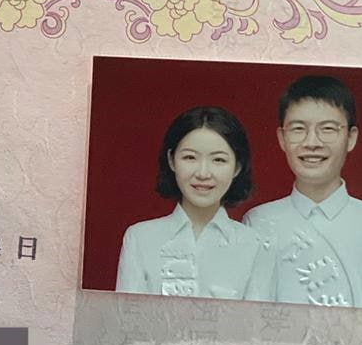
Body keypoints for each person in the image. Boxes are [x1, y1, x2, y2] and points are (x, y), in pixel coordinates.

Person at [243, 75, 362, 310]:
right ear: (282, 138)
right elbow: (249, 319)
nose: (312, 142)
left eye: (327, 129)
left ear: (351, 138)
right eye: (298, 129)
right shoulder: (258, 222)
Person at [117, 107, 276, 300]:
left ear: (237, 167)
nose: (203, 173)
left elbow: (256, 319)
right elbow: (126, 316)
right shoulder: (141, 238)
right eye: (190, 157)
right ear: (172, 160)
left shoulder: (255, 246)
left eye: (218, 160)